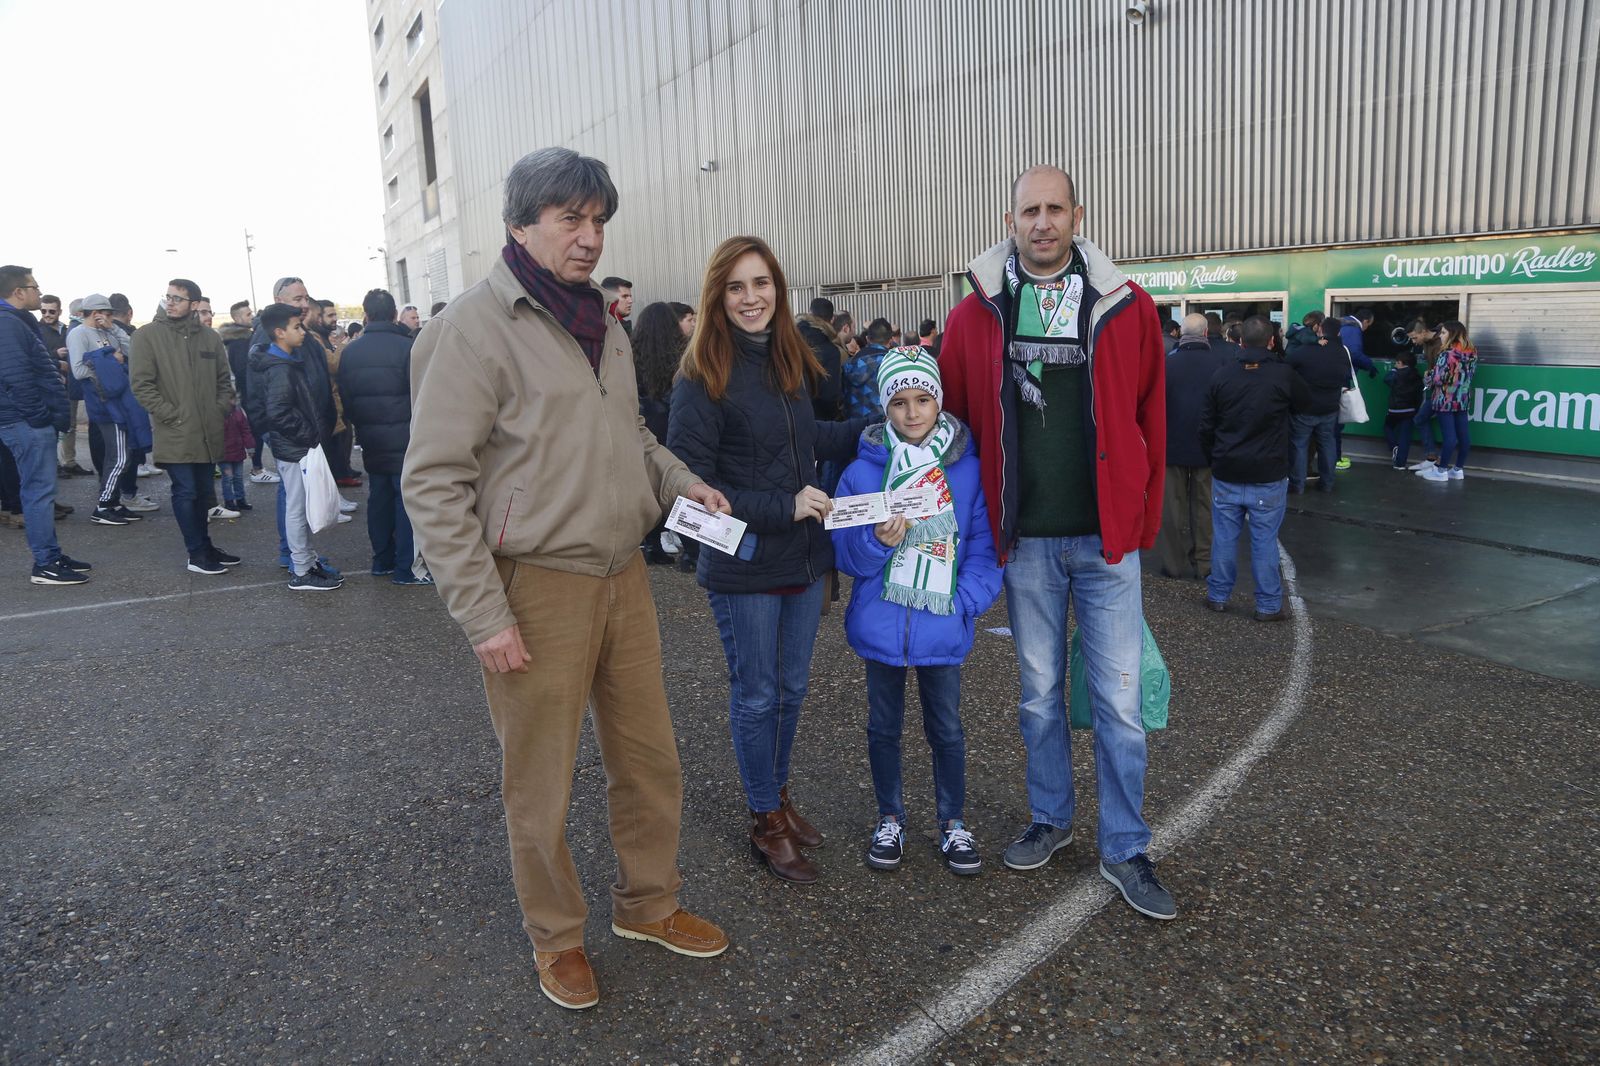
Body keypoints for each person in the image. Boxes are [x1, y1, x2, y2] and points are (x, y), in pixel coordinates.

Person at [404, 147, 730, 1011]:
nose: (589, 238)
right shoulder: (471, 328)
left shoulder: (602, 322)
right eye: (570, 220)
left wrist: (680, 481)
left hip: (624, 576)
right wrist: (483, 614)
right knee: (540, 783)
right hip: (533, 587)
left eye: (598, 221)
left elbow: (629, 438)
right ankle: (556, 938)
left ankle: (649, 904)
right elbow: (432, 481)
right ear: (520, 222)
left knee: (649, 759)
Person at [938, 165, 1172, 920]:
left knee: (1121, 706)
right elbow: (953, 425)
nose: (1042, 223)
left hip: (1106, 543)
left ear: (1079, 213)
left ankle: (1126, 845)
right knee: (1039, 699)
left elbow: (1151, 420)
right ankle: (1051, 818)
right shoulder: (975, 314)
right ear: (1009, 219)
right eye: (1028, 211)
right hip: (1028, 545)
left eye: (1054, 209)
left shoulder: (1126, 307)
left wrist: (1140, 520)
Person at [668, 234, 868, 886]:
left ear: (777, 290)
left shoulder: (791, 357)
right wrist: (784, 504)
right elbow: (688, 489)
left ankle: (778, 796)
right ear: (718, 296)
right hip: (746, 563)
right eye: (736, 287)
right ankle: (764, 818)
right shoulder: (700, 376)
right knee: (756, 696)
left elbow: (808, 440)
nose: (751, 298)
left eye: (761, 284)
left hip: (803, 562)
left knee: (791, 689)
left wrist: (880, 429)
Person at [831, 347, 1002, 875]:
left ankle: (952, 821)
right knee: (882, 726)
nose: (911, 413)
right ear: (884, 407)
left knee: (946, 727)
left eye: (923, 400)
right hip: (880, 620)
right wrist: (879, 545)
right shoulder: (861, 473)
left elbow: (983, 546)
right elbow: (846, 555)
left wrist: (965, 603)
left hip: (942, 621)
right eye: (899, 402)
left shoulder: (968, 471)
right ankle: (891, 816)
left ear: (939, 402)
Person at [1198, 315, 1312, 621]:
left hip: (1227, 468)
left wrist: (1214, 457)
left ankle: (1218, 595)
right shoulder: (1283, 375)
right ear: (1272, 341)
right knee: (1263, 540)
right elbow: (1307, 405)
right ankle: (1268, 605)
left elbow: (1206, 425)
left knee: (1223, 536)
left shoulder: (1223, 375)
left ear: (1240, 341)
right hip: (1268, 471)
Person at [130, 279, 240, 575]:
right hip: (175, 430)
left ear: (193, 304)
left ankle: (205, 546)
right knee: (186, 491)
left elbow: (223, 379)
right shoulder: (147, 336)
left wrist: (219, 409)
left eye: (177, 298)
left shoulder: (209, 337)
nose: (170, 302)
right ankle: (195, 554)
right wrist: (171, 414)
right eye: (168, 296)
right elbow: (141, 385)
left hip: (208, 430)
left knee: (204, 492)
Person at [0, 265, 90, 584]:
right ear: (19, 292)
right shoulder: (7, 323)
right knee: (38, 492)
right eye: (35, 286)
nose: (39, 292)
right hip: (25, 422)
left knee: (42, 491)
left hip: (26, 420)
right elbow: (16, 378)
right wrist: (40, 417)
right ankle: (46, 563)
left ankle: (51, 553)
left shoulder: (15, 322)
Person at [247, 303, 341, 591]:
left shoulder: (285, 362)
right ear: (279, 332)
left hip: (296, 446)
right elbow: (279, 413)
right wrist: (309, 435)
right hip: (294, 448)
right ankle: (301, 569)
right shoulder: (279, 369)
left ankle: (307, 560)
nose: (302, 331)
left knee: (300, 506)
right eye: (296, 327)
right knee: (297, 509)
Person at [337, 288, 427, 583]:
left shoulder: (350, 352)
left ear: (365, 314)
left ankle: (382, 560)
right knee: (406, 500)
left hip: (370, 436)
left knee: (379, 498)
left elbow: (346, 398)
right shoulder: (408, 348)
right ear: (393, 314)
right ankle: (405, 567)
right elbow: (421, 395)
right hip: (406, 436)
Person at [1157, 313, 1230, 580]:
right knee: (1205, 508)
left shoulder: (1167, 364)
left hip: (1171, 446)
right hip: (1208, 449)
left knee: (1171, 509)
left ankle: (1173, 564)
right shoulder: (1219, 364)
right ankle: (1204, 563)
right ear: (1205, 332)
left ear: (1181, 334)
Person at [630, 300, 689, 566]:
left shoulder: (630, 354)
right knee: (679, 486)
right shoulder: (682, 354)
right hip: (674, 425)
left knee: (648, 488)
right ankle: (690, 551)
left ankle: (652, 545)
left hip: (645, 427)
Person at [79, 312, 151, 526]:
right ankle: (103, 505)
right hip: (108, 409)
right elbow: (79, 371)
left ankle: (113, 503)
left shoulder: (109, 333)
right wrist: (112, 359)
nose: (106, 317)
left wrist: (113, 330)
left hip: (117, 408)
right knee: (119, 458)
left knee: (122, 457)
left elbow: (133, 352)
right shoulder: (79, 335)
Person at [1286, 316, 1349, 494]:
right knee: (1327, 444)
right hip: (1330, 407)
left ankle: (1297, 485)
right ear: (1338, 333)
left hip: (1304, 407)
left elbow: (1286, 365)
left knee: (1299, 445)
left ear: (1320, 330)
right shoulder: (1342, 352)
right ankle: (1327, 483)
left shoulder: (1305, 351)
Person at [1418, 320, 1477, 482]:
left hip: (1445, 400)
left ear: (1452, 334)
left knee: (1450, 437)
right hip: (1462, 399)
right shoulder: (1471, 352)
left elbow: (1438, 378)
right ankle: (1458, 469)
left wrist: (1427, 378)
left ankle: (1441, 470)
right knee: (1464, 437)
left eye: (1443, 333)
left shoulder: (1447, 354)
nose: (1441, 336)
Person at [220, 300, 268, 481]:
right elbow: (242, 370)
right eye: (248, 314)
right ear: (237, 318)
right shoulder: (240, 340)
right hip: (247, 392)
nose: (252, 316)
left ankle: (258, 467)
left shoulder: (243, 337)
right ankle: (257, 469)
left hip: (246, 391)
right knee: (255, 429)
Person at [1336, 308, 1378, 468]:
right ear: (1366, 321)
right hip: (1341, 379)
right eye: (1369, 325)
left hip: (1329, 378)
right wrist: (1370, 365)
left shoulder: (1341, 323)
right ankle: (1336, 459)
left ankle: (1331, 457)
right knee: (1338, 421)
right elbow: (1353, 353)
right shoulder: (1353, 329)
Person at [796, 296, 845, 425]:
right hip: (818, 421)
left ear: (810, 313)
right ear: (832, 319)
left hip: (788, 417)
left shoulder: (789, 340)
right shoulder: (830, 351)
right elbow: (829, 395)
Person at [1383, 346, 1425, 470]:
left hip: (1395, 410)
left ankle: (1393, 446)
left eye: (1396, 362)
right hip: (1410, 410)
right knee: (1405, 436)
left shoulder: (1396, 374)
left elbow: (1386, 379)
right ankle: (1400, 464)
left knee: (1387, 427)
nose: (1395, 364)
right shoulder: (1417, 376)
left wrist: (1394, 370)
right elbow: (1419, 394)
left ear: (1401, 363)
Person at [842, 317, 892, 419]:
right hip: (880, 427)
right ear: (890, 341)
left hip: (851, 427)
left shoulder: (849, 363)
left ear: (867, 339)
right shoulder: (891, 363)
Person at [217, 402, 254, 514]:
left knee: (237, 477)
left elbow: (245, 429)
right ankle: (230, 501)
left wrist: (250, 446)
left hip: (236, 451)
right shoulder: (219, 412)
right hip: (224, 453)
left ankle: (239, 499)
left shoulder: (238, 411)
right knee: (229, 478)